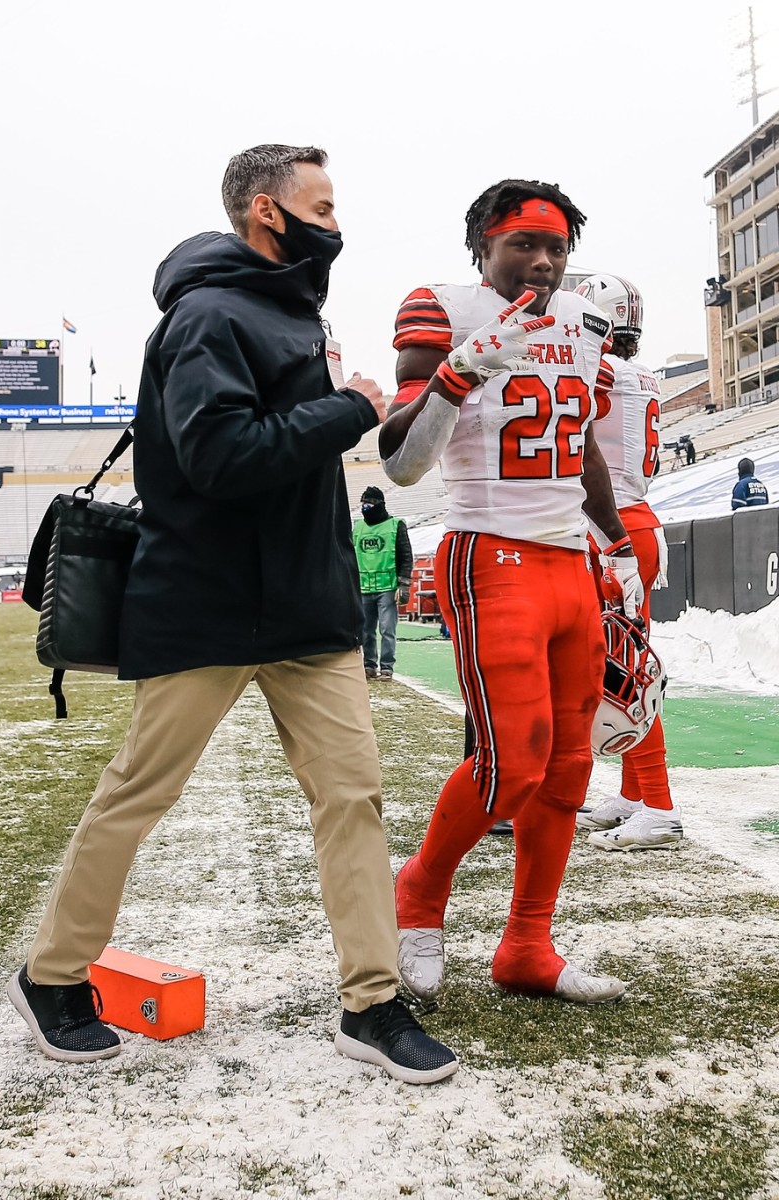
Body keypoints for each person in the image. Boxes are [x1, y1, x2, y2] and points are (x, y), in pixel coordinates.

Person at [6, 144, 457, 1087]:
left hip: (305, 610)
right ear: (267, 213)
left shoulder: (288, 308)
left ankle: (373, 1001)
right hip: (205, 606)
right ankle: (50, 977)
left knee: (353, 799)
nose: (336, 222)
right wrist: (348, 409)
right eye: (322, 205)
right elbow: (221, 459)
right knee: (137, 797)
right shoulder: (209, 314)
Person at [379, 178, 645, 1006]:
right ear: (483, 246)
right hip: (490, 551)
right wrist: (460, 372)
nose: (541, 259)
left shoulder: (582, 318)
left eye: (556, 246)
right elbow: (399, 460)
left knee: (568, 772)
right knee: (508, 768)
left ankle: (527, 945)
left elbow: (584, 447)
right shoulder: (444, 308)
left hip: (571, 564)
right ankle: (417, 895)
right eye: (522, 243)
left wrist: (620, 545)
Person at [572, 274, 683, 852]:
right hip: (636, 519)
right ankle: (635, 795)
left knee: (623, 672)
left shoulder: (604, 371)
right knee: (623, 663)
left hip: (610, 526)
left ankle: (660, 805)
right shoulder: (643, 373)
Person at [352, 485, 413, 680]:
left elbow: (405, 555)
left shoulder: (396, 525)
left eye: (369, 503)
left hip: (387, 588)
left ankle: (386, 668)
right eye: (363, 503)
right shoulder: (357, 527)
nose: (365, 507)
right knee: (366, 631)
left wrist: (404, 584)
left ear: (380, 505)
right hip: (363, 587)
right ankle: (369, 666)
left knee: (387, 630)